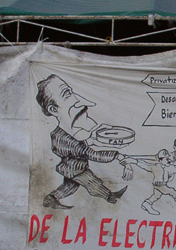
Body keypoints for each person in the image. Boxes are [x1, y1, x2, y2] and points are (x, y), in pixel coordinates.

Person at [36, 74, 133, 209]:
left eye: (71, 92)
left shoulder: (71, 133)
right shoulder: (64, 139)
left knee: (70, 186)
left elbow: (86, 141)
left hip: (72, 168)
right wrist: (116, 155)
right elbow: (92, 154)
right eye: (67, 94)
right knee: (93, 183)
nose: (76, 99)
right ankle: (111, 197)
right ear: (53, 109)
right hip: (76, 170)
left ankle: (52, 198)